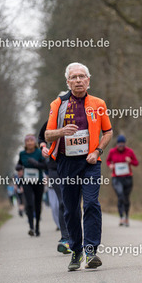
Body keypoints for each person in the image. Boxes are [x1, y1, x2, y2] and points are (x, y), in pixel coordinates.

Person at [45, 62, 113, 271]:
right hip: (66, 163)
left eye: (82, 76)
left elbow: (108, 132)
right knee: (71, 209)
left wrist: (98, 151)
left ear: (88, 80)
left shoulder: (98, 103)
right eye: (73, 77)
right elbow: (47, 135)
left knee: (91, 204)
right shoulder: (58, 104)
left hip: (90, 162)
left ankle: (91, 251)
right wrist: (62, 131)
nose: (78, 80)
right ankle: (76, 250)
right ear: (67, 82)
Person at [39, 120, 71, 254]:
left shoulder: (80, 117)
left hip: (74, 166)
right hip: (55, 167)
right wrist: (43, 147)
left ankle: (75, 236)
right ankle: (65, 239)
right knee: (62, 201)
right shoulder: (52, 121)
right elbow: (41, 137)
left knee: (73, 202)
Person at [106, 135, 139, 227]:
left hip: (127, 177)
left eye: (122, 144)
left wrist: (130, 161)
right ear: (117, 144)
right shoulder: (112, 151)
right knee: (120, 195)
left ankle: (127, 216)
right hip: (116, 178)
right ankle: (121, 216)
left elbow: (136, 163)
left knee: (126, 198)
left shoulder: (129, 151)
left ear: (125, 144)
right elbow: (108, 161)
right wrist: (110, 165)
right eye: (119, 144)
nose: (121, 146)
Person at [17, 134, 46, 236]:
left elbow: (45, 166)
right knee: (29, 204)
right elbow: (19, 164)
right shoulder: (22, 154)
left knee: (37, 204)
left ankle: (37, 226)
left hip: (38, 181)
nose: (29, 142)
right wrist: (18, 167)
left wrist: (36, 163)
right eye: (27, 141)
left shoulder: (39, 153)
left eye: (31, 140)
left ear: (35, 142)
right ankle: (31, 227)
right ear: (25, 143)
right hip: (27, 181)